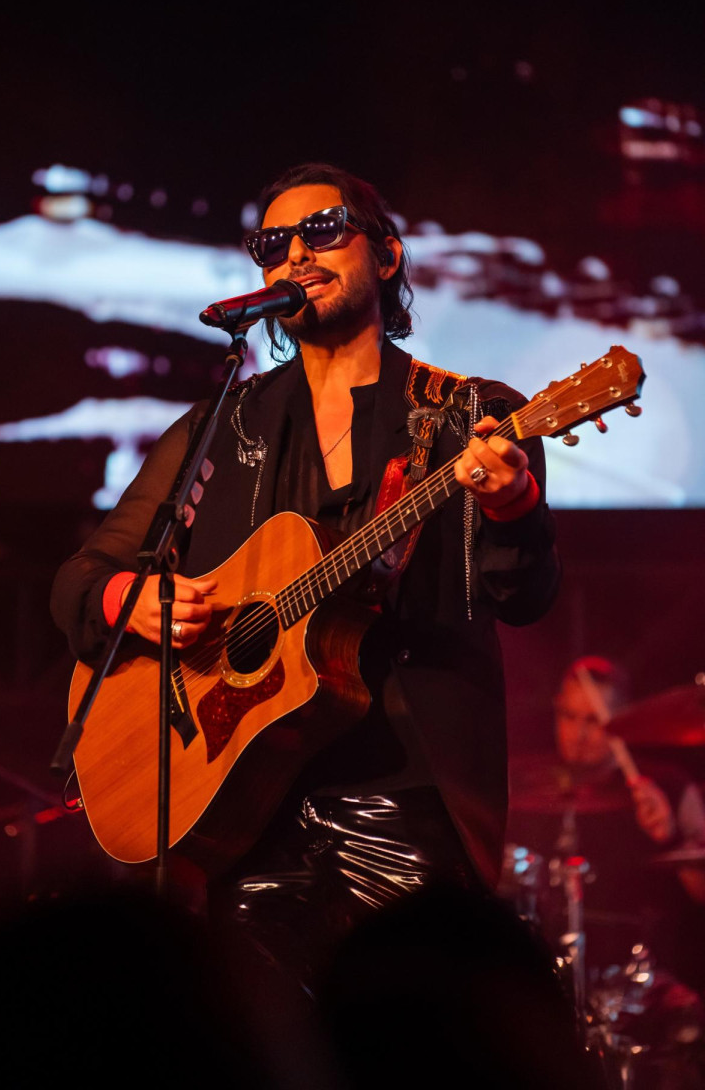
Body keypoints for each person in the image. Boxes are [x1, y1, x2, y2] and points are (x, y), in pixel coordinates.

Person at [51, 163, 568, 1080]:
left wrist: (514, 504)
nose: (297, 253)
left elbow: (523, 598)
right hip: (246, 807)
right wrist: (127, 598)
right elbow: (85, 575)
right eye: (274, 243)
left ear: (387, 252)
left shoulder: (466, 413)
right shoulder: (224, 422)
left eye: (323, 231)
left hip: (408, 801)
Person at [506, 656, 705, 1084]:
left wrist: (671, 835)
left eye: (595, 720)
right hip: (540, 980)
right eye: (569, 716)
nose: (579, 734)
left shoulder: (665, 786)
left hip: (642, 981)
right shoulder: (519, 785)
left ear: (623, 718)